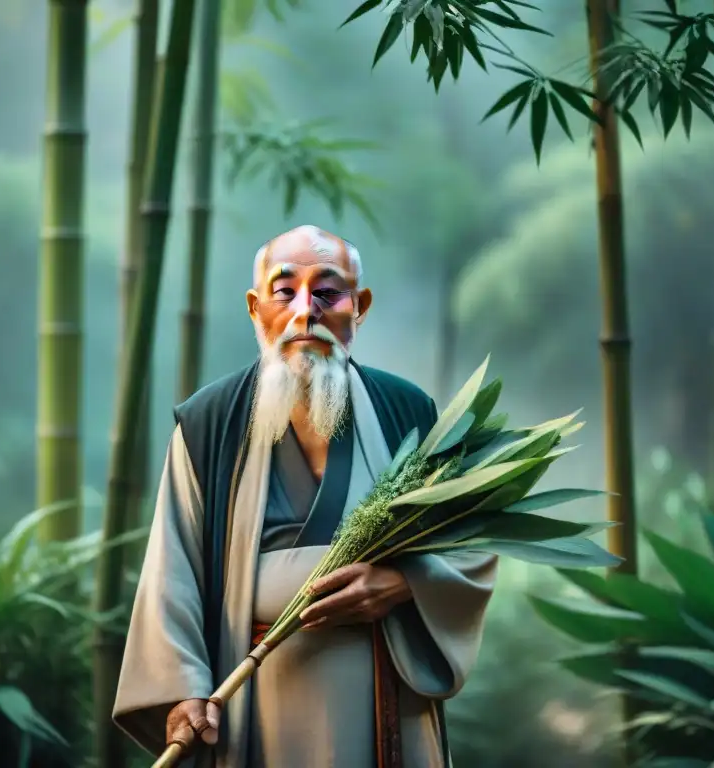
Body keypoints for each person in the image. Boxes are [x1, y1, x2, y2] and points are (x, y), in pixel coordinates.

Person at [113, 225, 498, 767]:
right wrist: (183, 689)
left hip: (383, 694)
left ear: (358, 307)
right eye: (284, 290)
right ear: (255, 309)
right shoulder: (208, 424)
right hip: (253, 700)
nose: (305, 310)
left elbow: (472, 539)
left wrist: (404, 582)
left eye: (327, 292)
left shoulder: (408, 413)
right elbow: (170, 571)